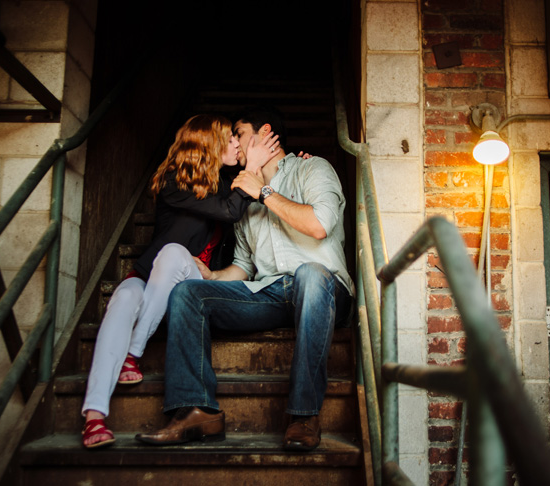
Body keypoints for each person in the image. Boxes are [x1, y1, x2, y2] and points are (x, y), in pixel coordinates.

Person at [135, 105, 354, 451]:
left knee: (311, 274)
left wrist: (264, 193)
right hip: (272, 294)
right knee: (189, 294)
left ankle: (303, 415)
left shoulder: (312, 168)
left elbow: (319, 225)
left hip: (324, 290)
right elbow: (243, 266)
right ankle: (196, 411)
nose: (233, 143)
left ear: (264, 133)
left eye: (237, 133)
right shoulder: (242, 200)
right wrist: (211, 275)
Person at [81, 114, 279, 448]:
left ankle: (133, 350)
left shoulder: (229, 184)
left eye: (236, 138)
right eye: (229, 139)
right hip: (148, 279)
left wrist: (269, 166)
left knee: (175, 255)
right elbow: (229, 209)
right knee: (124, 298)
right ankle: (94, 418)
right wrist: (252, 172)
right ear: (209, 144)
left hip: (190, 286)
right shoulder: (174, 183)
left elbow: (243, 201)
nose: (236, 143)